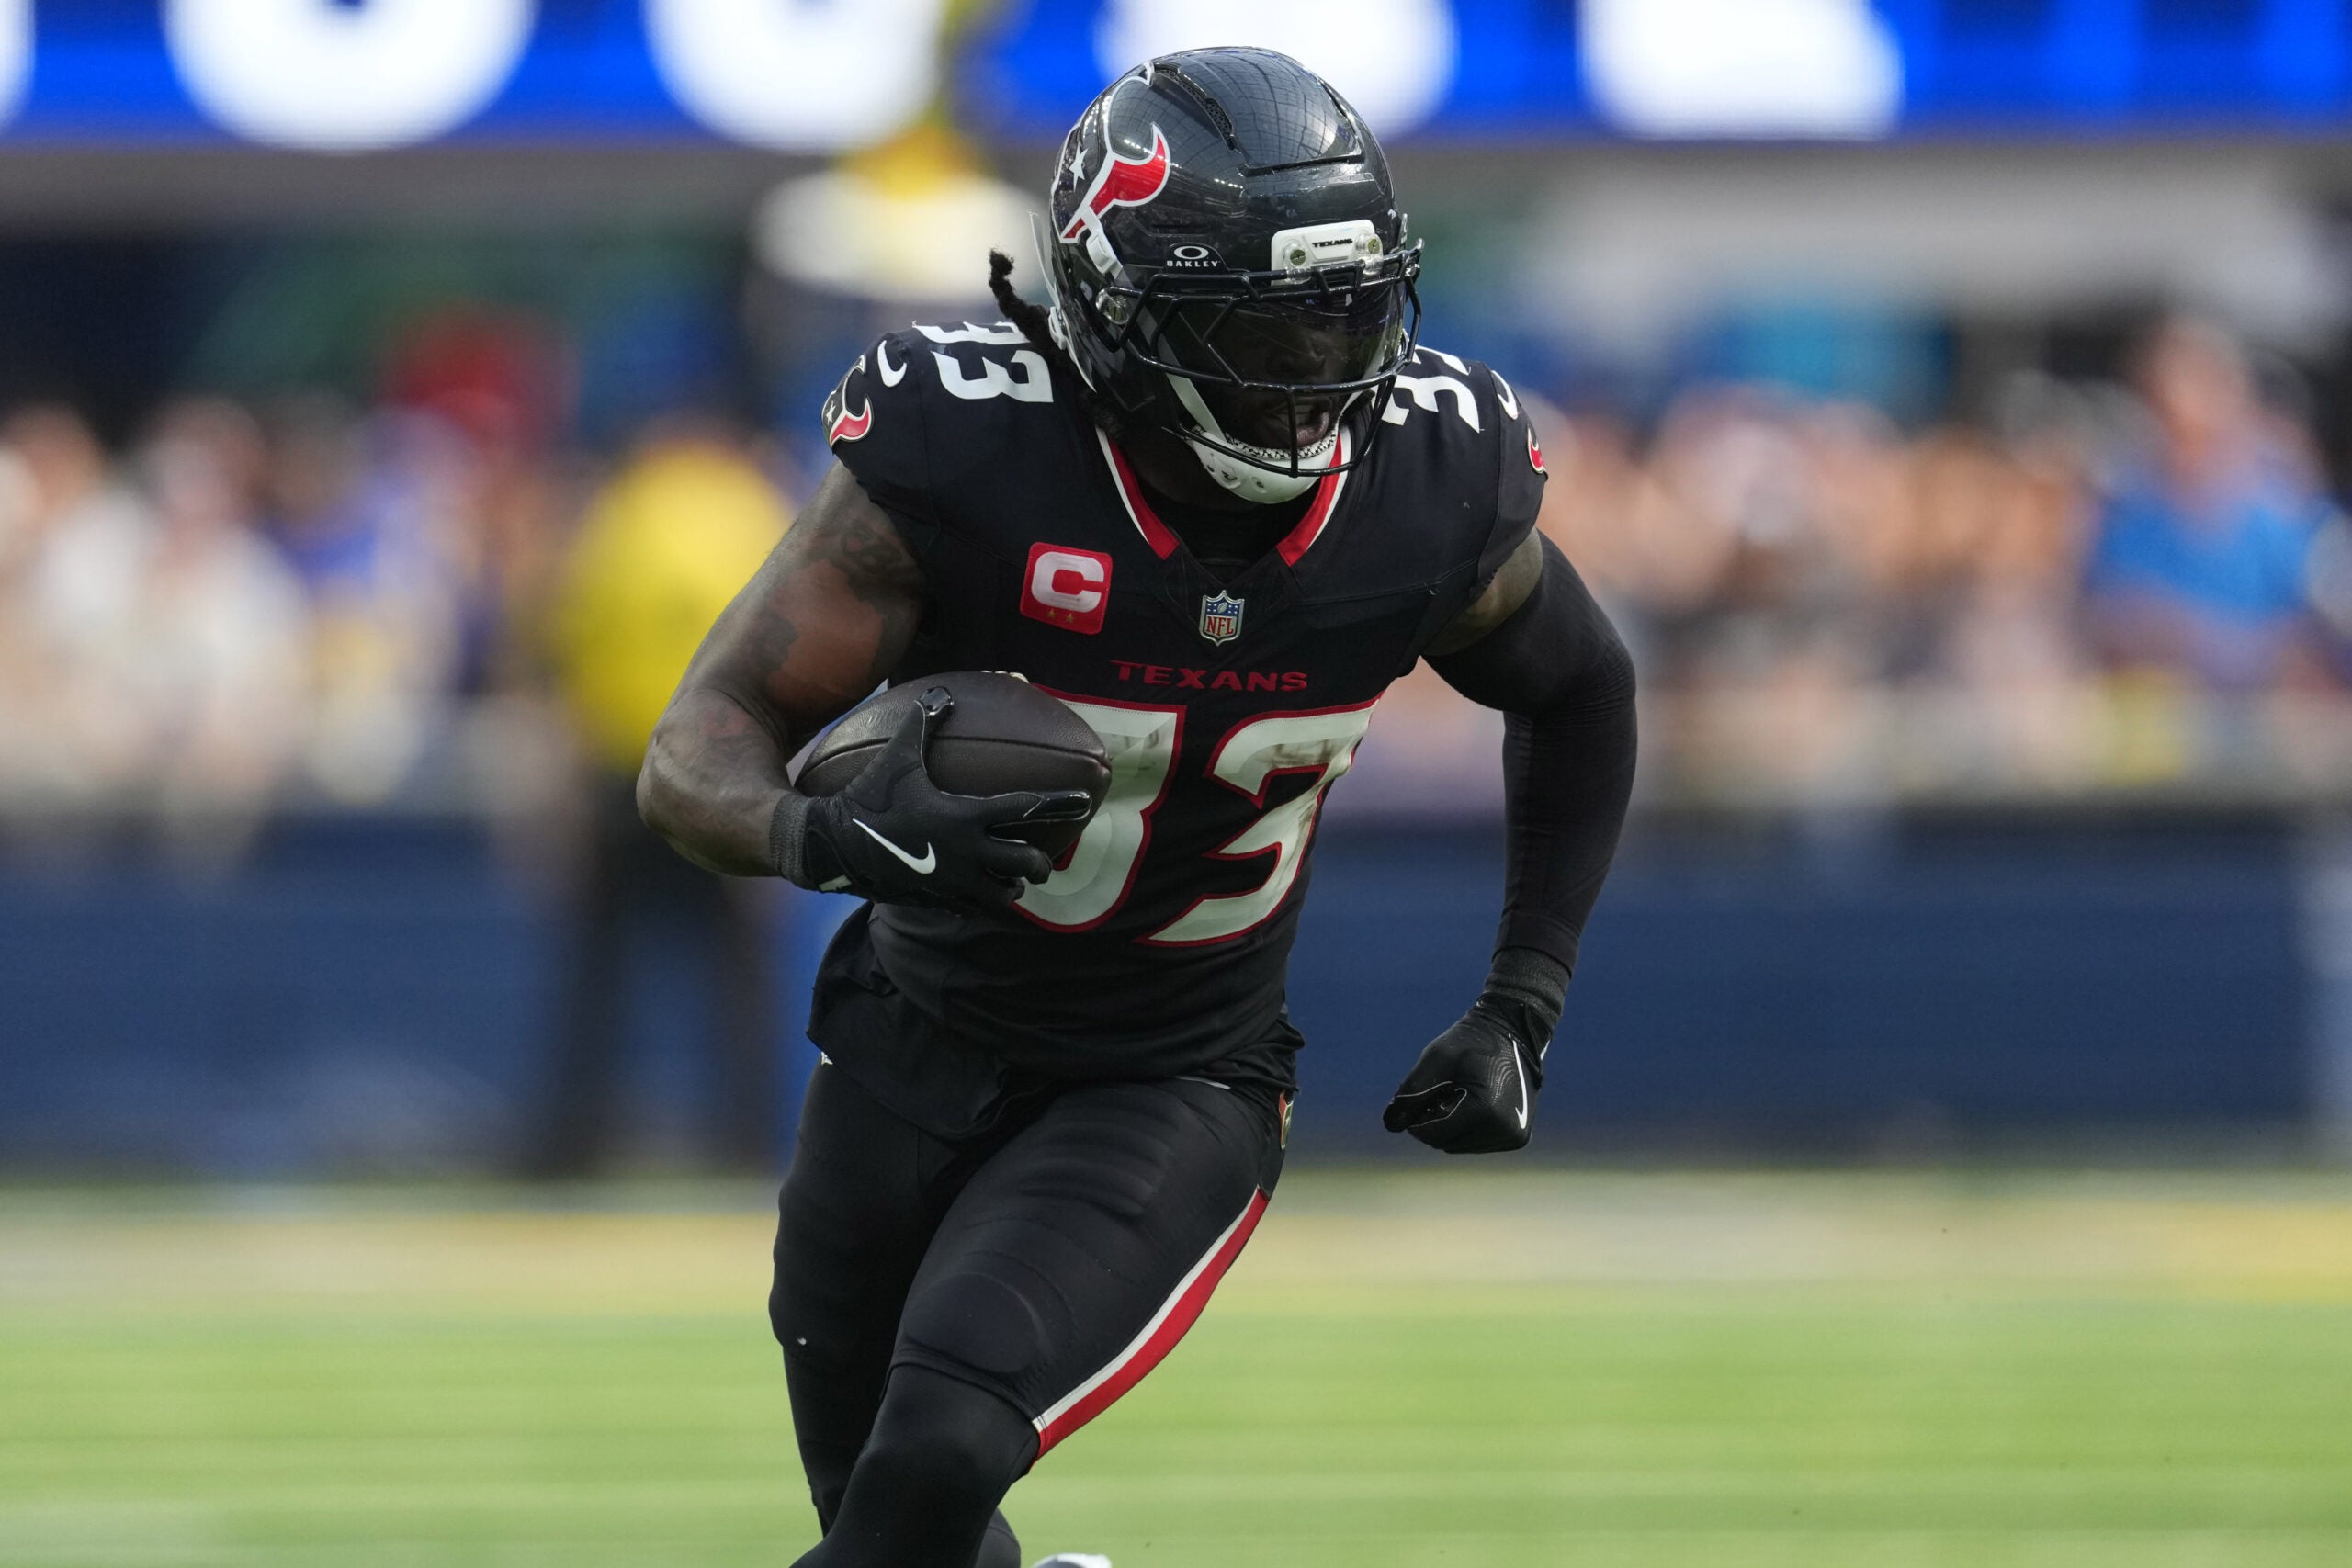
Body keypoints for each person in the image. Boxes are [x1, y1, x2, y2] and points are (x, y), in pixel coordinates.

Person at [639, 49, 1637, 1568]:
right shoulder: (970, 451)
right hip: (910, 1042)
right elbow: (695, 749)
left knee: (937, 1450)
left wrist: (1525, 998)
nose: (1320, 368)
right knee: (901, 1522)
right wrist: (825, 834)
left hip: (1171, 1076)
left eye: (1347, 310)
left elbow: (1581, 686)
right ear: (1116, 312)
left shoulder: (1427, 481)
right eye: (1264, 324)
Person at [532, 424, 791, 1176]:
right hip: (732, 765)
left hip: (625, 764)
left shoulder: (620, 508)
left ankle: (569, 1149)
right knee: (736, 975)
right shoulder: (751, 505)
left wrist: (563, 788)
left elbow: (567, 640)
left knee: (601, 968)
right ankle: (748, 1147)